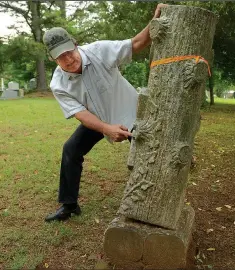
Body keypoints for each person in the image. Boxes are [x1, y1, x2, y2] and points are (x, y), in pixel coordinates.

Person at [43, 4, 168, 222]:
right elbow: (81, 114)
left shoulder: (99, 51)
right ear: (53, 59)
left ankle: (158, 201)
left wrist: (155, 21)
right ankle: (69, 206)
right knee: (71, 150)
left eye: (69, 52)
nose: (69, 59)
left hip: (131, 114)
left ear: (75, 44)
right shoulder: (58, 84)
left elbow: (136, 43)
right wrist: (106, 129)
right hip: (98, 119)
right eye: (61, 57)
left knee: (147, 155)